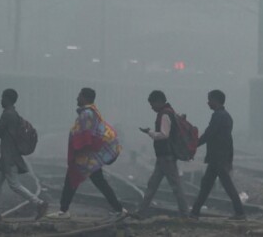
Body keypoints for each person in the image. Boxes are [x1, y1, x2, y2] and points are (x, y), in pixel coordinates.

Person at [47, 87, 126, 219]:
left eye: (79, 96)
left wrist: (77, 149)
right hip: (89, 157)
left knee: (72, 180)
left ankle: (63, 211)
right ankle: (119, 209)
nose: (77, 98)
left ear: (85, 98)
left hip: (86, 157)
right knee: (97, 182)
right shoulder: (92, 112)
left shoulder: (87, 114)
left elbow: (86, 136)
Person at [0, 88, 48, 220]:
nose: (1, 100)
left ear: (8, 99)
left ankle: (39, 203)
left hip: (9, 157)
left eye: (2, 98)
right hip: (6, 156)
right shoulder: (14, 114)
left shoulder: (8, 115)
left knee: (14, 185)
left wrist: (0, 130)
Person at [190, 89, 246, 220]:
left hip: (217, 157)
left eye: (210, 100)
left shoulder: (218, 116)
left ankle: (240, 213)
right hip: (219, 157)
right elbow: (227, 139)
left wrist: (194, 145)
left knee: (225, 184)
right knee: (207, 184)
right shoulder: (226, 116)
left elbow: (209, 134)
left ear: (216, 100)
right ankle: (194, 212)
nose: (208, 102)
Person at [132, 90, 190, 218]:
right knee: (152, 185)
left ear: (159, 101)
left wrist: (149, 132)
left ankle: (185, 213)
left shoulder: (164, 114)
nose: (152, 107)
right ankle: (141, 211)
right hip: (164, 157)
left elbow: (164, 135)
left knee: (175, 186)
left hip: (166, 157)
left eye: (152, 104)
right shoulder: (170, 111)